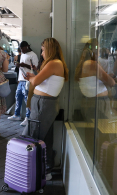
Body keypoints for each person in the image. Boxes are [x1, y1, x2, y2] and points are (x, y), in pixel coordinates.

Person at [23, 38, 68, 181]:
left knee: (31, 137)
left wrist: (31, 78)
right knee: (46, 139)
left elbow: (36, 82)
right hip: (46, 104)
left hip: (43, 104)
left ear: (49, 49)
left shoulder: (53, 63)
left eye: (43, 50)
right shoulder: (57, 64)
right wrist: (33, 77)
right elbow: (42, 82)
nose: (41, 54)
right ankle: (45, 170)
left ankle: (30, 171)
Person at [8, 41, 38, 126]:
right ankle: (17, 114)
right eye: (20, 49)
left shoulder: (33, 55)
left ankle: (28, 117)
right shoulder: (23, 54)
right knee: (18, 96)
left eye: (23, 48)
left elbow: (35, 67)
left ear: (27, 47)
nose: (22, 50)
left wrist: (24, 65)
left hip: (28, 80)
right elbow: (22, 66)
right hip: (21, 79)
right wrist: (18, 65)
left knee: (27, 99)